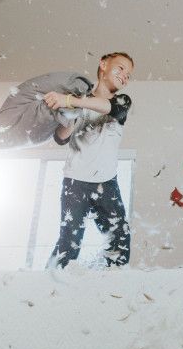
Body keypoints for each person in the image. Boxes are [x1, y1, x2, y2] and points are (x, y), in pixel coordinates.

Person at [43, 52, 134, 269]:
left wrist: (70, 100)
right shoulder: (77, 102)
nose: (125, 76)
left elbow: (112, 109)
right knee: (69, 242)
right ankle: (48, 285)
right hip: (74, 182)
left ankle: (110, 287)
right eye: (120, 68)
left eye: (129, 75)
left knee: (120, 240)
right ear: (103, 64)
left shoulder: (121, 101)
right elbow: (60, 137)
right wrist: (71, 110)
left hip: (106, 184)